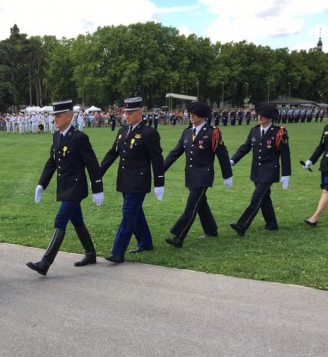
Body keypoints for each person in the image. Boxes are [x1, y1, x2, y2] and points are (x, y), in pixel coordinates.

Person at [27, 100, 104, 276]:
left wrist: (97, 187)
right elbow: (52, 162)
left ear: (69, 116)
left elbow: (92, 164)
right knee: (77, 221)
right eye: (54, 116)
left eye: (59, 116)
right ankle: (90, 254)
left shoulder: (79, 138)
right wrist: (41, 184)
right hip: (64, 187)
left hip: (76, 187)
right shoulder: (57, 136)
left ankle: (45, 263)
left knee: (60, 220)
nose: (55, 119)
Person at [99, 97, 165, 263]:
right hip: (124, 180)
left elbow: (157, 160)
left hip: (138, 182)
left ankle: (118, 252)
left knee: (128, 213)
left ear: (140, 113)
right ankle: (145, 242)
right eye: (125, 112)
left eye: (130, 113)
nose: (126, 116)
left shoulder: (149, 133)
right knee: (136, 212)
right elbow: (112, 153)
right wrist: (97, 172)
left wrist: (159, 183)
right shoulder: (122, 131)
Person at [163, 102, 233, 248]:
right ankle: (211, 230)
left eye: (194, 114)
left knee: (192, 206)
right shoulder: (187, 132)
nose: (191, 116)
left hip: (203, 176)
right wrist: (160, 169)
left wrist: (227, 175)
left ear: (202, 116)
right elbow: (175, 152)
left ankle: (179, 236)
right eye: (190, 113)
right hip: (190, 175)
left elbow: (222, 154)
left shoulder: (212, 133)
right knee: (201, 204)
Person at [229, 104, 291, 236]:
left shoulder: (279, 132)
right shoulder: (254, 130)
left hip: (269, 171)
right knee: (264, 198)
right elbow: (245, 147)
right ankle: (272, 224)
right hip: (257, 170)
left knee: (256, 197)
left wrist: (286, 174)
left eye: (263, 115)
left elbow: (285, 154)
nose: (260, 117)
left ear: (271, 117)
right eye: (259, 115)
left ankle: (242, 225)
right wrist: (232, 160)